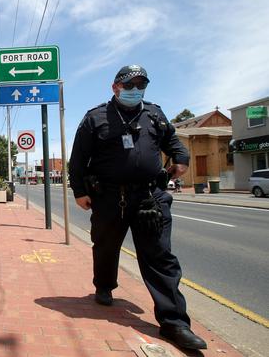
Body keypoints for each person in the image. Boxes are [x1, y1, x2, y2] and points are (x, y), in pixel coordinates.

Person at [68, 65, 207, 350]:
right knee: (105, 247)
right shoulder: (95, 118)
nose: (135, 90)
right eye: (129, 85)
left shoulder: (154, 114)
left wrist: (181, 159)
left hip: (149, 198)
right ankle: (104, 286)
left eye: (140, 85)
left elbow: (174, 143)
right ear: (115, 87)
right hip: (108, 199)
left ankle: (174, 323)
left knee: (160, 257)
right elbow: (78, 160)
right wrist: (79, 192)